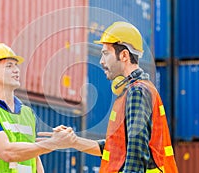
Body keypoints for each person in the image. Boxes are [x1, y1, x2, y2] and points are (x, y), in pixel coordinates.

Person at [41, 21, 178, 172]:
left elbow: (136, 153)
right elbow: (116, 149)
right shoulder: (133, 90)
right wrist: (73, 141)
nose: (101, 61)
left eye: (106, 53)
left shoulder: (137, 91)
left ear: (124, 55)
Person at [0, 43, 76, 173]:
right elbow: (7, 152)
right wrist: (54, 143)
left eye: (16, 65)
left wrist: (53, 142)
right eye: (9, 66)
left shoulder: (27, 113)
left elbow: (34, 157)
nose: (16, 70)